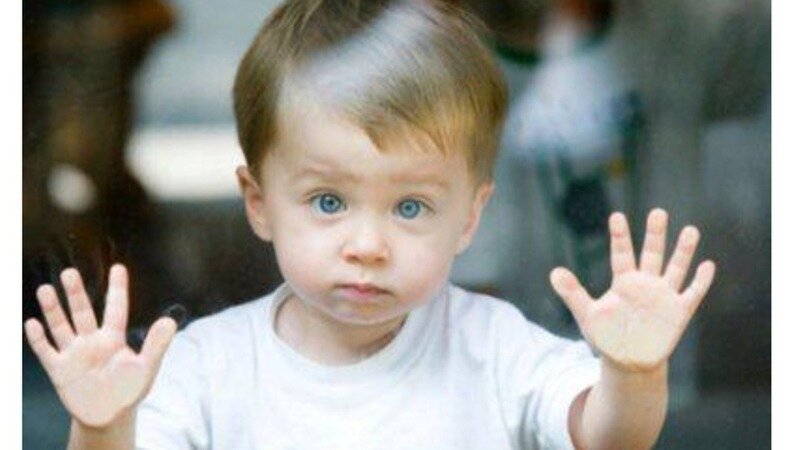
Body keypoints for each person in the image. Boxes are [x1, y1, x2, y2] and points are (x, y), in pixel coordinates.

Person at [23, 1, 716, 449]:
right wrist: (101, 424)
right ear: (258, 202)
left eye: (411, 207)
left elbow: (608, 437)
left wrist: (634, 370)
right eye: (328, 202)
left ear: (469, 217)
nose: (367, 246)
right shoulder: (207, 367)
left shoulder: (494, 347)